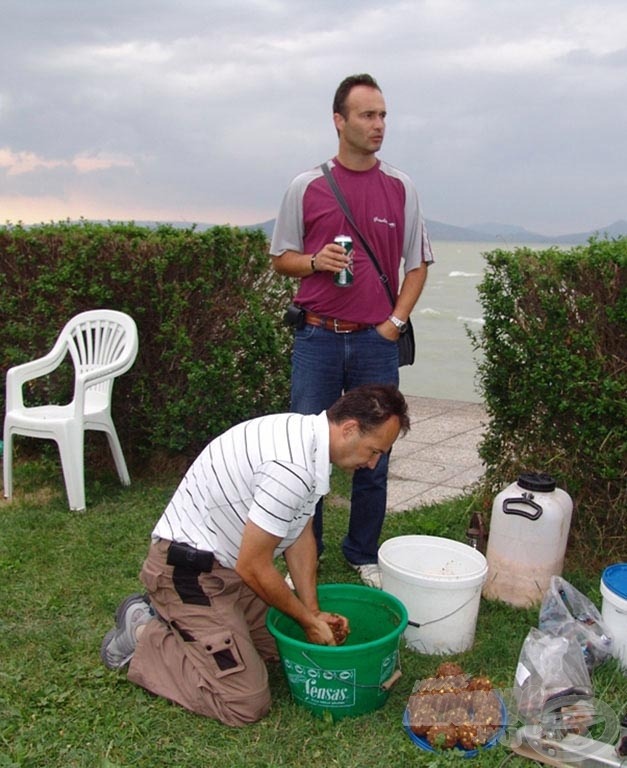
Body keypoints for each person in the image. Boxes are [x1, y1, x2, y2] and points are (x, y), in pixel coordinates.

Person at [100, 384, 410, 727]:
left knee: (285, 650)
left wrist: (312, 610)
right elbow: (254, 566)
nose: (373, 463)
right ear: (349, 428)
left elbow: (300, 534)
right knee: (245, 702)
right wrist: (308, 623)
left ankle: (204, 630)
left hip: (228, 570)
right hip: (188, 575)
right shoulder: (292, 468)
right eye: (374, 450)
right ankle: (144, 634)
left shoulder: (308, 441)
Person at [269, 73, 434, 588]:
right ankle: (305, 554)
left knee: (375, 456)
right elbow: (281, 259)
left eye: (383, 115)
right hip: (316, 338)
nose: (378, 124)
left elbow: (418, 264)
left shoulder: (400, 187)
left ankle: (363, 552)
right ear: (339, 121)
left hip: (373, 342)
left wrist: (394, 324)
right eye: (367, 115)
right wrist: (316, 261)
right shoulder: (307, 186)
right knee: (305, 453)